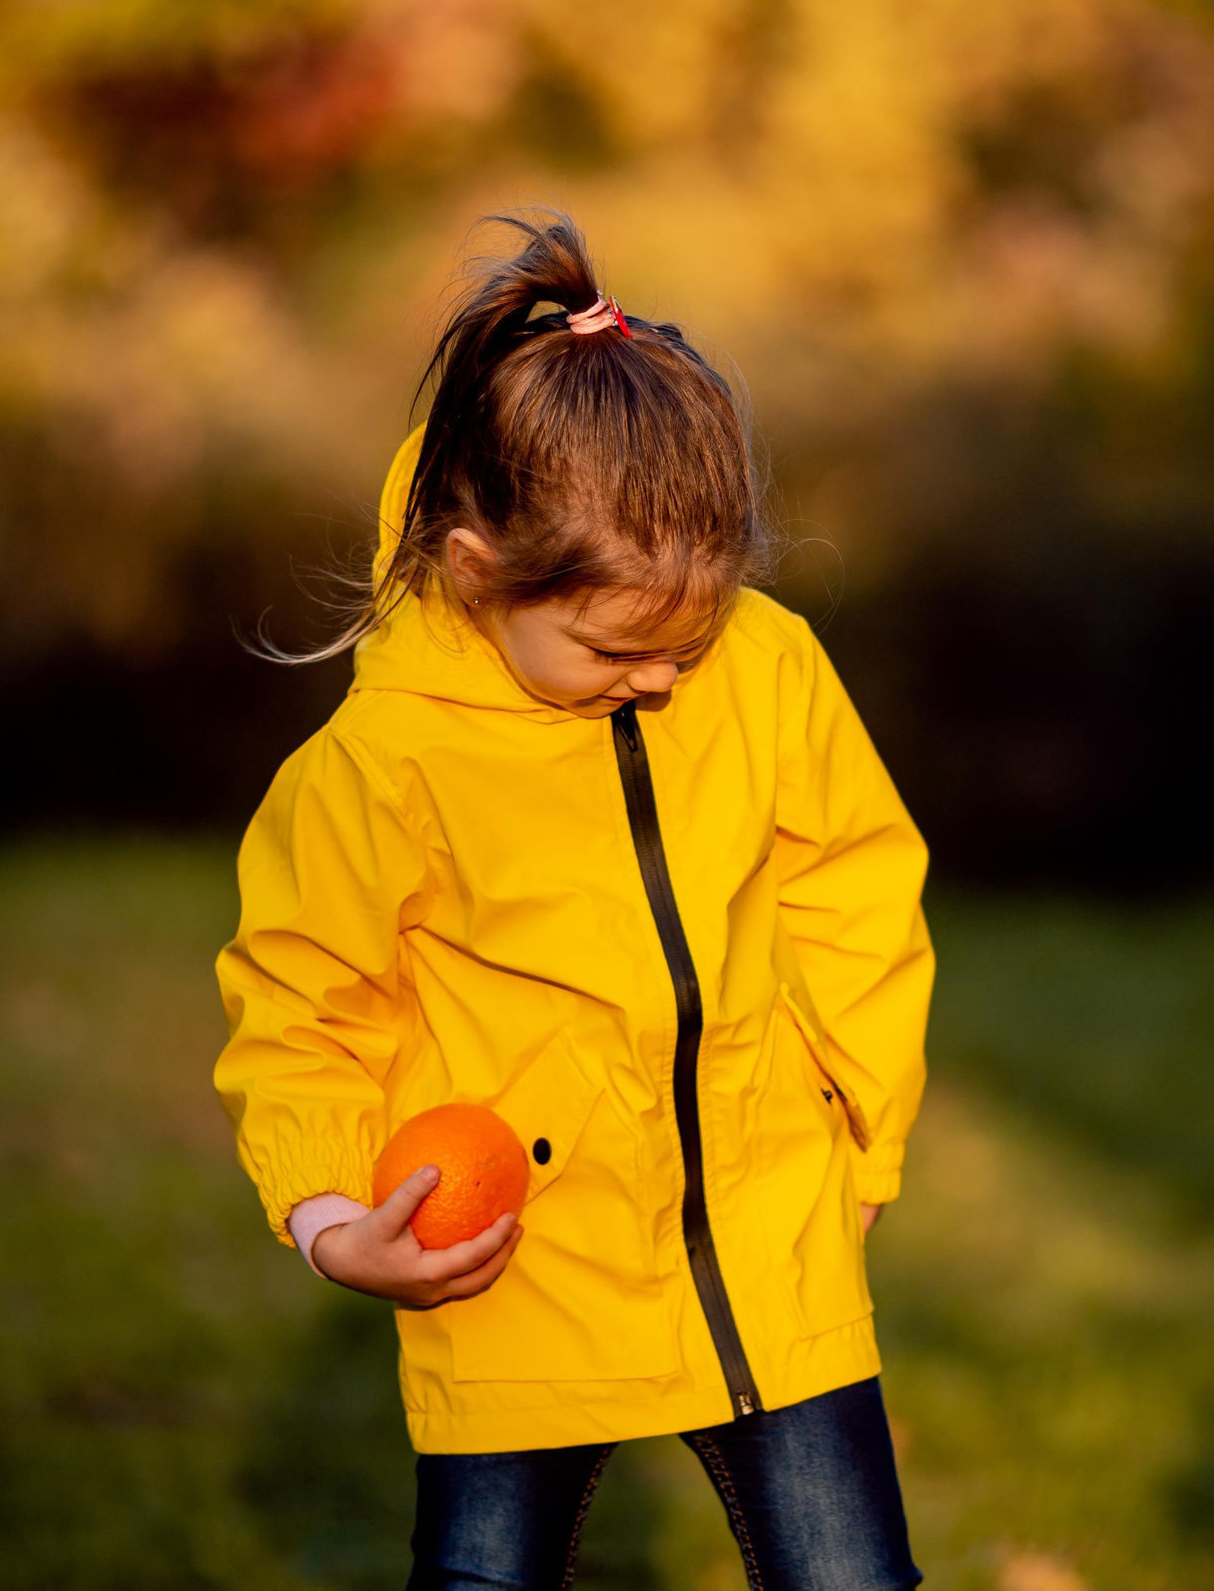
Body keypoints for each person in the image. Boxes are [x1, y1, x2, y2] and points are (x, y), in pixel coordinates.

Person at [215, 213, 933, 1591]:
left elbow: (855, 880)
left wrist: (862, 1124)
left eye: (692, 637)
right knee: (485, 1581)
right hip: (510, 1264)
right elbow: (302, 1002)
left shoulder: (771, 669)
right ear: (480, 570)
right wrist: (324, 1217)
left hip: (768, 1235)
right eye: (618, 648)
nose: (664, 679)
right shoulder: (381, 764)